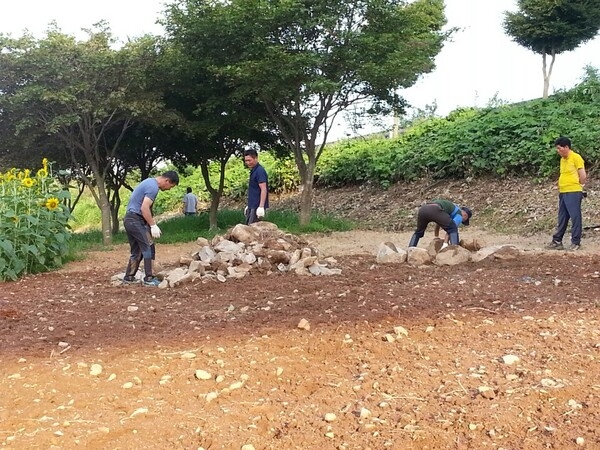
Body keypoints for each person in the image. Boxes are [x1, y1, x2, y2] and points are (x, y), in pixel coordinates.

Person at [122, 171, 179, 287]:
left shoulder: (148, 182)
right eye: (170, 186)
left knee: (136, 250)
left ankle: (129, 277)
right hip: (135, 219)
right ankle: (149, 278)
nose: (169, 189)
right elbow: (144, 208)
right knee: (149, 246)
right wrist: (153, 225)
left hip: (130, 219)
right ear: (167, 181)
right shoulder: (153, 187)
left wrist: (148, 224)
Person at [547, 136, 587, 251]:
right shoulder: (562, 160)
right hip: (563, 192)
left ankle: (576, 242)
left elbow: (582, 175)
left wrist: (579, 186)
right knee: (562, 217)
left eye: (560, 148)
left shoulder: (576, 157)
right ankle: (557, 240)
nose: (558, 151)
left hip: (573, 191)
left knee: (575, 217)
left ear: (566, 147)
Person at [408, 199, 472, 248]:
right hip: (436, 209)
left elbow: (438, 222)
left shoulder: (449, 209)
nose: (462, 221)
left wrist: (436, 236)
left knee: (418, 232)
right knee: (453, 228)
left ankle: (410, 249)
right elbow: (451, 229)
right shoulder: (459, 215)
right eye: (465, 219)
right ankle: (455, 250)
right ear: (465, 215)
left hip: (423, 209)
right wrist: (445, 244)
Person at [243, 149, 269, 224]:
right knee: (248, 227)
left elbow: (263, 189)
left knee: (252, 230)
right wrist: (249, 205)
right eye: (246, 161)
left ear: (256, 158)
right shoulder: (253, 170)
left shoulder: (260, 171)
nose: (247, 163)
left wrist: (261, 207)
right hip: (252, 205)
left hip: (257, 206)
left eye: (249, 160)